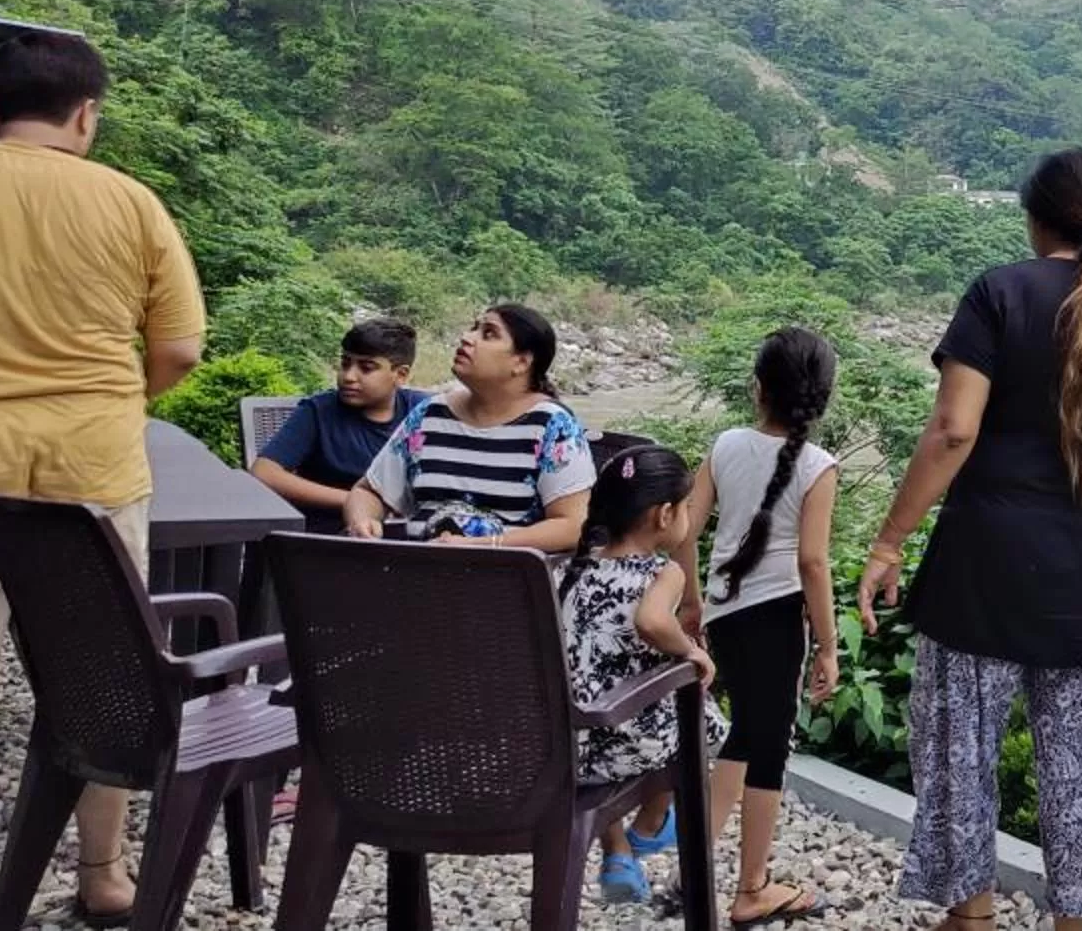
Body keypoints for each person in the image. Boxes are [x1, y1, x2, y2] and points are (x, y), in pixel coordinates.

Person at [0, 31, 204, 927]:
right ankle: (103, 876)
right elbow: (177, 347)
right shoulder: (132, 203)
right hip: (92, 479)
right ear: (86, 114)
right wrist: (109, 402)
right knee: (105, 684)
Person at [856, 147, 1082, 931]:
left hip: (988, 573)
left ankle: (972, 915)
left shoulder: (1000, 293)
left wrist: (888, 544)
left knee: (958, 754)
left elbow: (953, 431)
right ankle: (1075, 925)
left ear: (1035, 219)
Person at [680, 327, 842, 926]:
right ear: (822, 398)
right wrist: (827, 646)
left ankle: (693, 866)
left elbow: (683, 530)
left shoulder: (724, 444)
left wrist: (693, 600)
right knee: (769, 747)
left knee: (745, 734)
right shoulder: (818, 465)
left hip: (725, 612)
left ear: (757, 389)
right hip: (777, 619)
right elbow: (813, 562)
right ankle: (752, 889)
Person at [559, 444, 719, 905]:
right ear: (664, 515)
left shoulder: (577, 565)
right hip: (625, 742)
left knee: (612, 704)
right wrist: (692, 652)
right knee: (702, 719)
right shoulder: (662, 572)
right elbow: (651, 622)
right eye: (686, 507)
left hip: (569, 744)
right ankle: (650, 824)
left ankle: (618, 853)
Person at [340, 305, 594, 551]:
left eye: (488, 333)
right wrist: (363, 521)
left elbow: (573, 526)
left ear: (521, 362)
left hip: (506, 583)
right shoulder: (429, 415)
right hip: (417, 577)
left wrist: (481, 546)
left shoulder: (552, 427)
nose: (466, 338)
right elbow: (369, 491)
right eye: (473, 328)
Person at [250, 319, 428, 534]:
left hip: (407, 536)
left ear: (400, 375)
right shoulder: (318, 412)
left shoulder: (422, 411)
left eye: (366, 368)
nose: (349, 376)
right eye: (345, 364)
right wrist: (358, 501)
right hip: (328, 536)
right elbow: (264, 472)